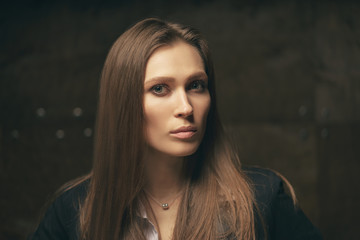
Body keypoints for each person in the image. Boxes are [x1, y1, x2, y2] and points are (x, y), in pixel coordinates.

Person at [29, 18, 322, 240]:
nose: (186, 107)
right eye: (160, 89)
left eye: (196, 85)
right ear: (123, 103)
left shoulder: (263, 198)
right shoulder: (74, 211)